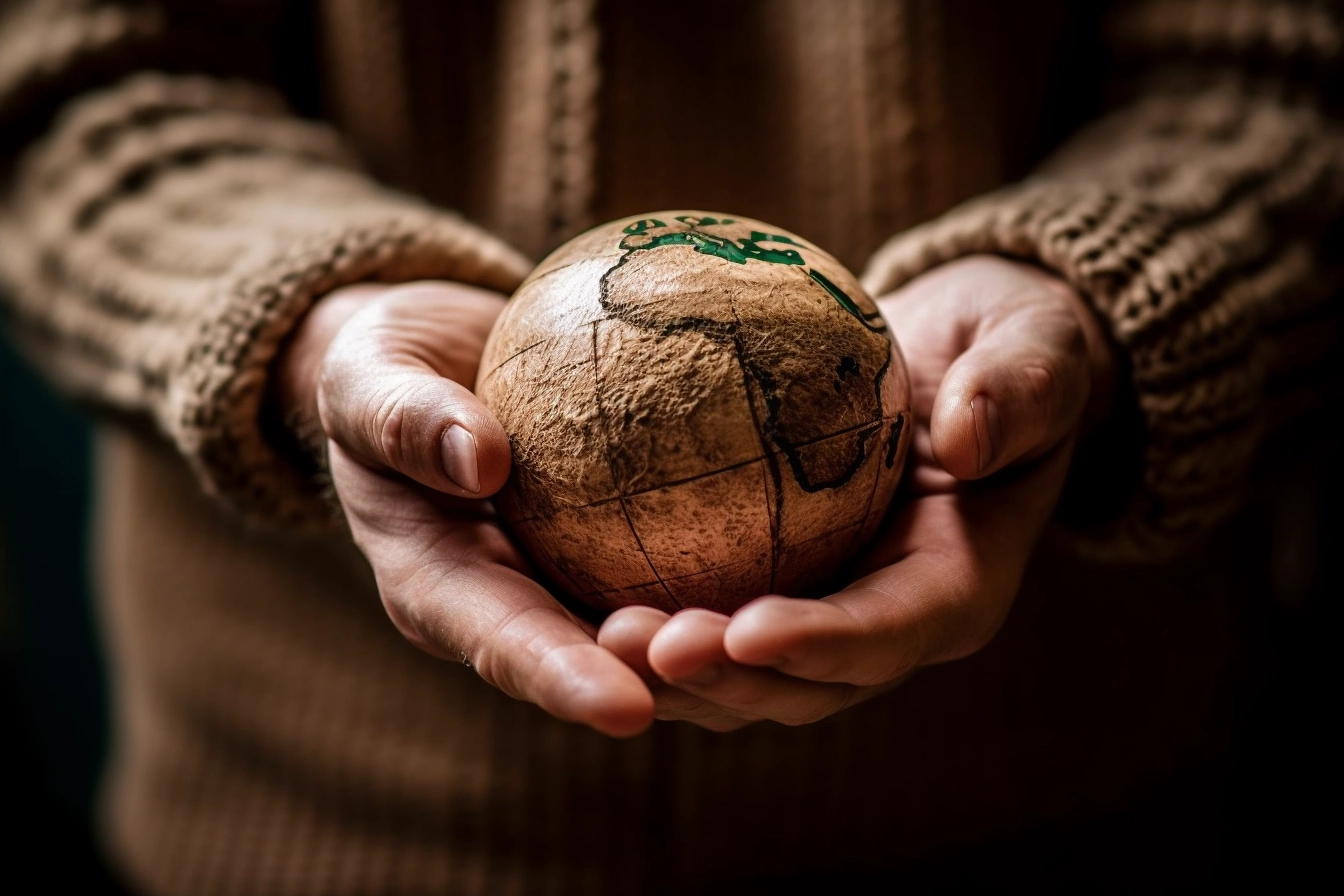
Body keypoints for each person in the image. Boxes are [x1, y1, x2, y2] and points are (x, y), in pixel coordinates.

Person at [1, 0, 1339, 892]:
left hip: (1070, 804)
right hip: (307, 818)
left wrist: (1104, 301)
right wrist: (305, 325)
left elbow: (1288, 78)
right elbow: (62, 84)